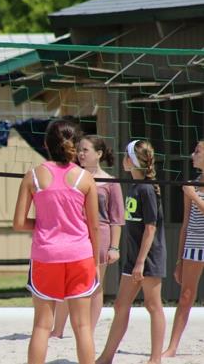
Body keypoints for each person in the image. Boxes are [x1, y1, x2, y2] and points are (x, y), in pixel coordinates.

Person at [13, 119, 100, 364]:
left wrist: (46, 225)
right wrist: (95, 260)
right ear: (74, 144)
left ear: (45, 144)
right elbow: (94, 226)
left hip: (46, 256)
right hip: (80, 255)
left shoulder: (33, 176)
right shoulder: (85, 178)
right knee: (82, 326)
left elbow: (18, 223)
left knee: (42, 326)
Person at [96, 140, 166, 364]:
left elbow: (151, 228)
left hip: (149, 258)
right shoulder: (134, 186)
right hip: (133, 258)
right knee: (120, 305)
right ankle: (106, 357)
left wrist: (140, 263)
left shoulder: (146, 188)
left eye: (125, 155)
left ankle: (155, 359)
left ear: (132, 161)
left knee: (152, 306)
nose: (122, 159)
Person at [50, 135, 125, 338]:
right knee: (68, 283)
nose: (81, 153)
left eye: (85, 150)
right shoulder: (72, 176)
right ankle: (57, 330)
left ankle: (88, 332)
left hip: (100, 235)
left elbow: (117, 218)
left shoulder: (111, 183)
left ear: (98, 154)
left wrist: (114, 248)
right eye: (79, 150)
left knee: (95, 285)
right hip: (75, 235)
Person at [162, 140, 204, 357]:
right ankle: (172, 347)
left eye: (197, 151)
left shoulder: (192, 189)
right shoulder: (192, 183)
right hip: (195, 244)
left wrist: (194, 195)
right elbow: (185, 224)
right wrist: (179, 260)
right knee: (186, 296)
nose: (192, 154)